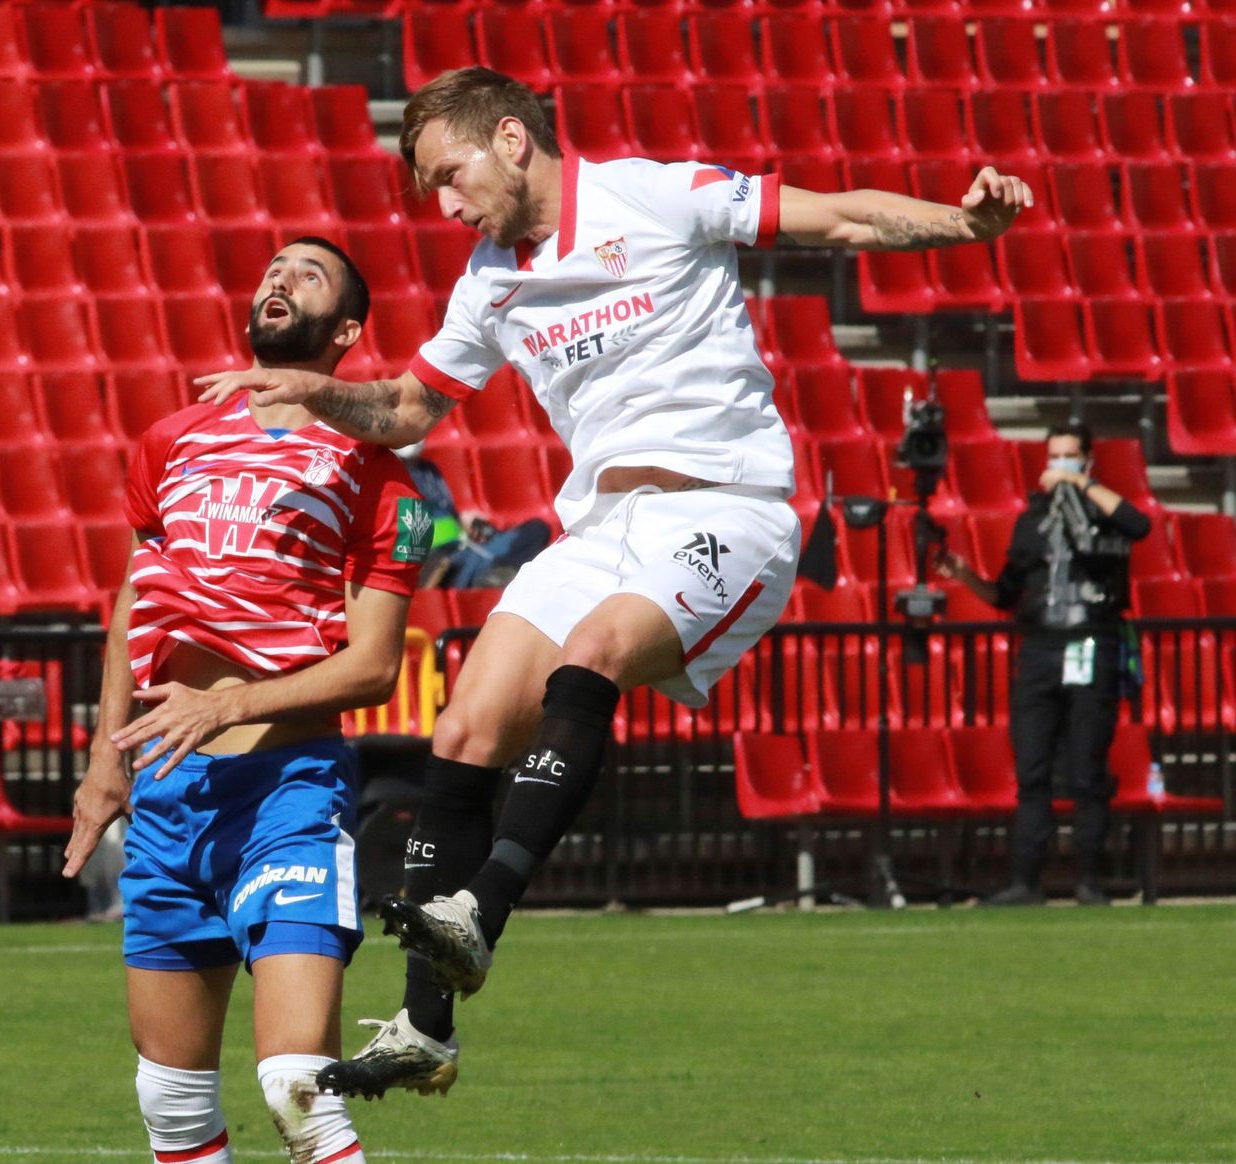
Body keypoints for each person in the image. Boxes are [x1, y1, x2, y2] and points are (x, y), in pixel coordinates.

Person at [195, 67, 1033, 1099]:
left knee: (590, 653)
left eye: (449, 178)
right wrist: (318, 391)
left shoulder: (653, 194)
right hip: (600, 525)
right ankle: (424, 1026)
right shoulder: (489, 280)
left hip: (725, 506)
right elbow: (410, 411)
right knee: (465, 727)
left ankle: (483, 909)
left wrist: (962, 223)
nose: (446, 207)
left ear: (509, 139)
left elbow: (840, 221)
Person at [62, 237, 433, 1163]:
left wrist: (226, 708)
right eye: (273, 268)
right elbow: (135, 603)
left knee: (297, 1093)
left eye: (308, 275)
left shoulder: (379, 477)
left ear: (347, 331)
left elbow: (375, 669)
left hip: (288, 796)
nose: (279, 279)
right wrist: (107, 759)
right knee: (173, 1108)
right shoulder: (171, 439)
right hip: (167, 802)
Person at [937, 423, 1149, 908]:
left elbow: (1140, 525)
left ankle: (1090, 881)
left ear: (1087, 461)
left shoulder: (1104, 508)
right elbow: (1006, 594)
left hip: (1091, 643)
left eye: (1070, 456)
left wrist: (1080, 485)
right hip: (1038, 649)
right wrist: (965, 575)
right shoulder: (1031, 519)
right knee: (1031, 768)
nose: (1058, 464)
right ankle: (1026, 880)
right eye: (1053, 456)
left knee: (1086, 769)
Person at [395, 438, 552, 588]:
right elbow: (409, 543)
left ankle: (499, 574)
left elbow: (445, 512)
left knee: (537, 529)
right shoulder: (396, 478)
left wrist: (464, 520)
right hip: (444, 559)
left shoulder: (429, 469)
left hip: (465, 545)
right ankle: (495, 576)